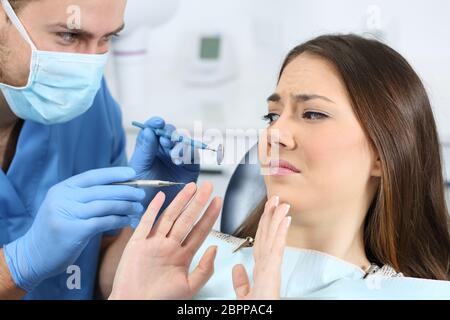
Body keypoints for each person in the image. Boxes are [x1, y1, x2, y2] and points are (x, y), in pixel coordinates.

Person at [109, 34, 450, 299]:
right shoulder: (187, 266)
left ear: (382, 154)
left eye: (313, 113)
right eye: (272, 115)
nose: (275, 133)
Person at [0, 0, 198, 299]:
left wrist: (150, 215)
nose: (88, 64)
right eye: (69, 36)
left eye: (107, 38)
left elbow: (103, 272)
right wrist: (18, 266)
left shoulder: (89, 104)